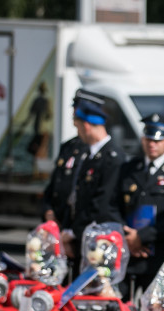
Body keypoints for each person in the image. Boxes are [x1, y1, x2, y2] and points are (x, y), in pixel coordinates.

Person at [114, 113, 164, 299]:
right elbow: (113, 206)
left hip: (159, 256)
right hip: (127, 253)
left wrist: (141, 237)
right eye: (149, 139)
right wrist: (128, 237)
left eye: (158, 140)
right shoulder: (128, 169)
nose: (152, 144)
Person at [61, 90, 125, 260]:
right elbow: (76, 197)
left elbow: (101, 204)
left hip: (99, 238)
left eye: (78, 126)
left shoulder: (112, 157)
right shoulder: (88, 155)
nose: (78, 132)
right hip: (83, 236)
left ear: (86, 126)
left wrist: (74, 232)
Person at [40, 92, 89, 226]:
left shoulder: (92, 150)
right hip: (57, 220)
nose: (74, 114)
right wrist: (48, 210)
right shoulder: (68, 146)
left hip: (76, 224)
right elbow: (54, 184)